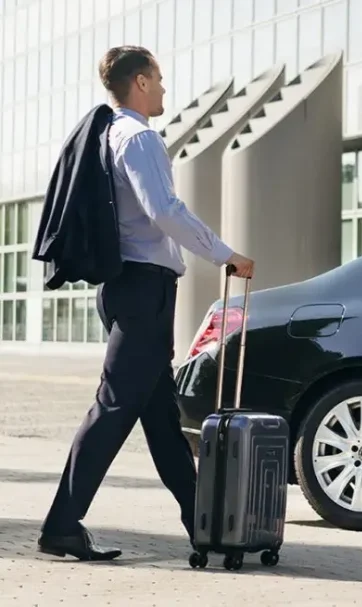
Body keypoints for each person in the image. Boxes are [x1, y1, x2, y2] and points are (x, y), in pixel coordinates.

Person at [37, 46, 255, 561]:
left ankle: (204, 525)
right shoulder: (138, 137)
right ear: (139, 82)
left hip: (129, 289)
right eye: (158, 78)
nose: (163, 88)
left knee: (160, 418)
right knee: (113, 407)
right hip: (143, 291)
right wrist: (225, 255)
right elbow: (164, 210)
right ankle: (61, 525)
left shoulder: (108, 134)